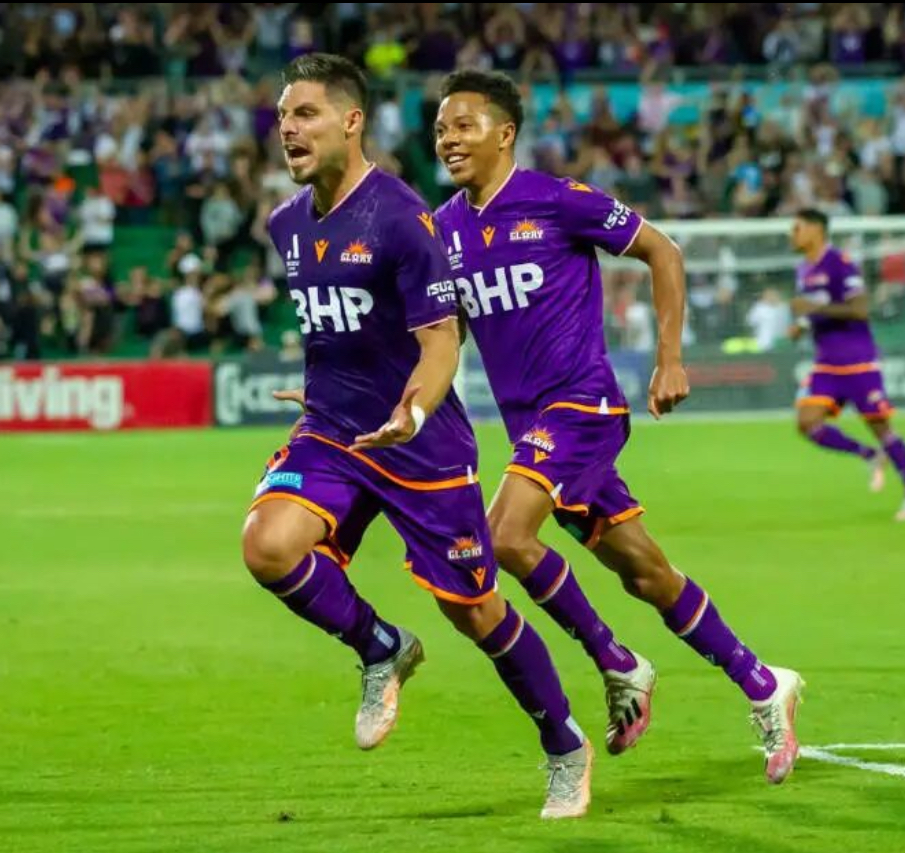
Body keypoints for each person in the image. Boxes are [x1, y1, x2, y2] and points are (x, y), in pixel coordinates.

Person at [243, 54, 593, 819]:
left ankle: (565, 743)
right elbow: (340, 333)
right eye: (283, 116)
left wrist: (411, 412)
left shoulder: (402, 217)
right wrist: (327, 389)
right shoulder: (285, 223)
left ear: (351, 121)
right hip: (333, 432)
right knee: (267, 545)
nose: (289, 129)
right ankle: (380, 646)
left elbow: (440, 341)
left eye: (305, 114)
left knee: (475, 611)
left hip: (419, 443)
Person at [430, 70, 804, 785]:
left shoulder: (558, 200)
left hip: (584, 407)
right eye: (441, 128)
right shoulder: (443, 230)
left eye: (464, 125)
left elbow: (663, 250)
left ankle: (616, 660)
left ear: (505, 134)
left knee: (504, 535)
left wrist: (670, 358)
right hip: (533, 432)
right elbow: (444, 337)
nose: (448, 139)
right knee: (646, 572)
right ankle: (764, 683)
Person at [789, 209, 905, 521]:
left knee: (881, 427)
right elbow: (819, 311)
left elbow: (860, 309)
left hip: (858, 361)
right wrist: (803, 324)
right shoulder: (803, 269)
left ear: (816, 230)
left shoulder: (841, 263)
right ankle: (869, 455)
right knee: (807, 423)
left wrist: (813, 308)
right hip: (826, 363)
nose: (792, 235)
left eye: (797, 228)